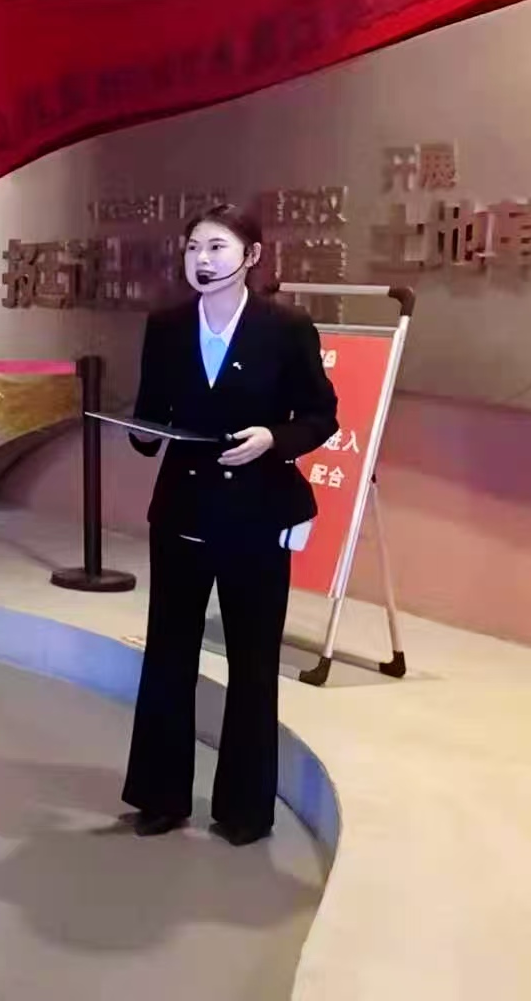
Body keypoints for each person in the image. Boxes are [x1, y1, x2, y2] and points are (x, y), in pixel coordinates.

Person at [122, 205, 337, 848]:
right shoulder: (165, 326)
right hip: (182, 513)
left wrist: (274, 438)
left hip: (257, 515)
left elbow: (320, 415)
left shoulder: (286, 328)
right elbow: (150, 415)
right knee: (168, 654)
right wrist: (140, 432)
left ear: (252, 256)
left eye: (218, 247)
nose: (203, 260)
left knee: (252, 660)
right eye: (194, 247)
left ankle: (244, 809)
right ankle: (160, 797)